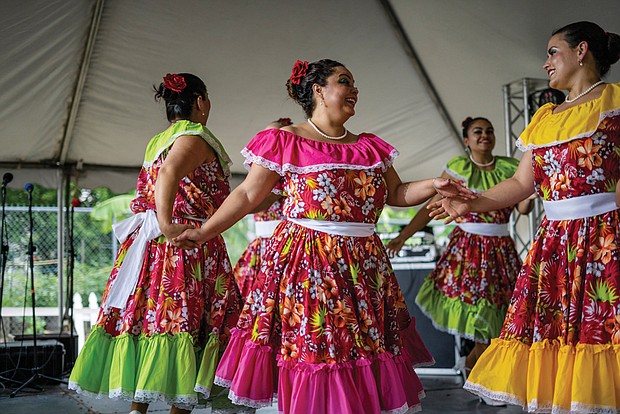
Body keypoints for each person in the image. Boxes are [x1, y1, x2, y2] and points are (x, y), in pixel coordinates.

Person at [175, 59, 474, 413]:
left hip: (364, 266)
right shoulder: (284, 140)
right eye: (345, 81)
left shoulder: (370, 147)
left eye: (354, 82)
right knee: (320, 350)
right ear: (318, 89)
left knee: (358, 353)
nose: (355, 89)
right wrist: (205, 231)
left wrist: (434, 184)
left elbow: (397, 194)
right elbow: (246, 195)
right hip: (311, 263)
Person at [429, 22, 620, 413]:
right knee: (558, 338)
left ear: (581, 50)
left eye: (553, 51)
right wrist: (472, 202)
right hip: (555, 246)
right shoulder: (544, 117)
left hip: (605, 238)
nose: (546, 62)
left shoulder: (615, 102)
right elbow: (520, 183)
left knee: (603, 332)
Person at [68, 73, 243, 414]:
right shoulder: (193, 137)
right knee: (185, 322)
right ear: (201, 102)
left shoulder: (161, 139)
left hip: (153, 248)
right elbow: (169, 175)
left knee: (156, 322)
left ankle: (139, 408)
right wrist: (166, 222)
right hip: (185, 244)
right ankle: (174, 408)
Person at [386, 117, 533, 380]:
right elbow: (431, 208)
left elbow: (523, 206)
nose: (484, 135)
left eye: (489, 131)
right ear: (466, 140)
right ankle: (480, 375)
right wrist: (403, 236)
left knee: (500, 319)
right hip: (468, 253)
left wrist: (530, 197)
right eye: (478, 132)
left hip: (501, 251)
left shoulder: (511, 167)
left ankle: (477, 370)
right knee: (480, 321)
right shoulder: (458, 168)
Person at [232, 118, 291, 298]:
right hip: (262, 246)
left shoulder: (290, 174)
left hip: (286, 245)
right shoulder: (258, 172)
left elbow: (258, 201)